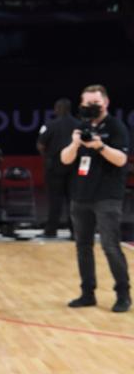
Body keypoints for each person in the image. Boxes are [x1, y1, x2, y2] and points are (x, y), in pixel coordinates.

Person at [59, 85, 130, 313]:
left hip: (107, 197)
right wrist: (75, 143)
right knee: (83, 246)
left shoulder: (116, 127)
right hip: (81, 196)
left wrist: (100, 146)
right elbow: (65, 159)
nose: (90, 108)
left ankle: (123, 294)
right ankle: (87, 293)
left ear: (106, 103)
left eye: (95, 103)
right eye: (86, 103)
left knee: (110, 246)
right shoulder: (81, 128)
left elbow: (121, 160)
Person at [37, 98, 79, 237]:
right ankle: (75, 231)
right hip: (74, 167)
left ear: (57, 109)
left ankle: (51, 230)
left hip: (55, 167)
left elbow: (41, 145)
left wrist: (47, 157)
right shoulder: (79, 125)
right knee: (74, 200)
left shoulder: (50, 125)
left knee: (55, 200)